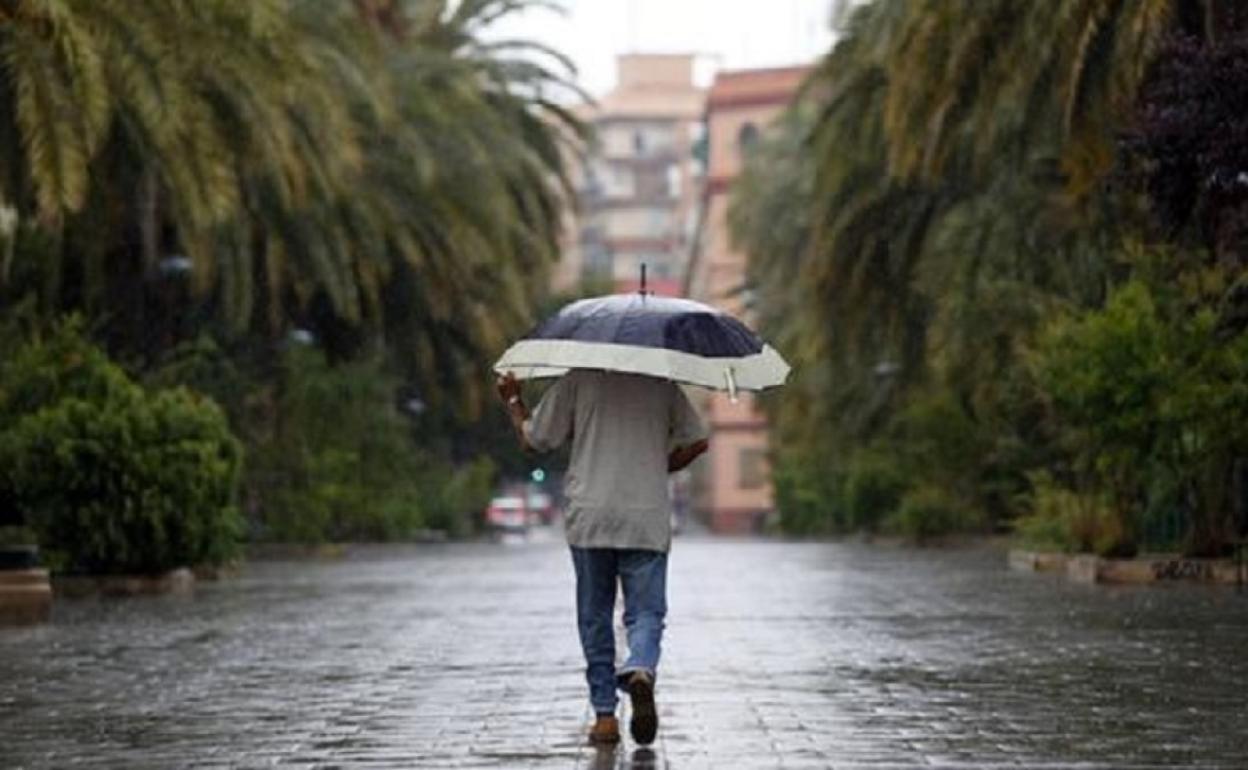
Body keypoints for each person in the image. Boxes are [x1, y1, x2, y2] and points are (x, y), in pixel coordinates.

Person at [497, 369, 708, 746]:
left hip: (590, 514)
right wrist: (658, 466)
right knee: (646, 612)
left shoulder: (577, 381)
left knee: (595, 615)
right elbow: (698, 441)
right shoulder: (661, 384)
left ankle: (605, 716)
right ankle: (641, 667)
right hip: (645, 515)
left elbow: (534, 439)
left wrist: (513, 400)